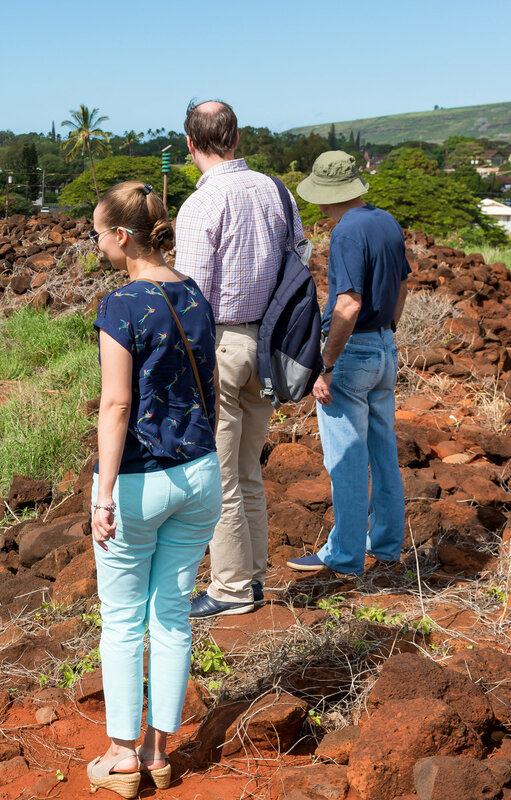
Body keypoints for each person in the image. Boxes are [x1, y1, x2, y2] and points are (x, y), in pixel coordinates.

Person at [86, 181, 221, 798]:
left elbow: (115, 405)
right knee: (171, 615)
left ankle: (120, 758)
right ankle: (159, 754)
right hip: (199, 474)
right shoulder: (194, 293)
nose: (96, 244)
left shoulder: (120, 306)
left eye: (97, 234)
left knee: (121, 620)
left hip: (140, 481)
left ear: (121, 235)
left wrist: (102, 495)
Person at [175, 99, 307, 618]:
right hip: (271, 343)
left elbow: (192, 296)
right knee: (248, 468)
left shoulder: (201, 204)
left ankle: (230, 590)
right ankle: (251, 580)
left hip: (222, 345)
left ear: (191, 144)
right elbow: (301, 257)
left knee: (222, 474)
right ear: (236, 138)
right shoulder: (278, 191)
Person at [287, 151, 408, 576]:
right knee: (383, 452)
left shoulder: (345, 233)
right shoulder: (386, 221)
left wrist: (326, 364)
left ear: (325, 194)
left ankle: (345, 556)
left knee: (347, 459)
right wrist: (388, 328)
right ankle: (388, 545)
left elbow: (348, 303)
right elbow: (402, 285)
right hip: (384, 348)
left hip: (352, 353)